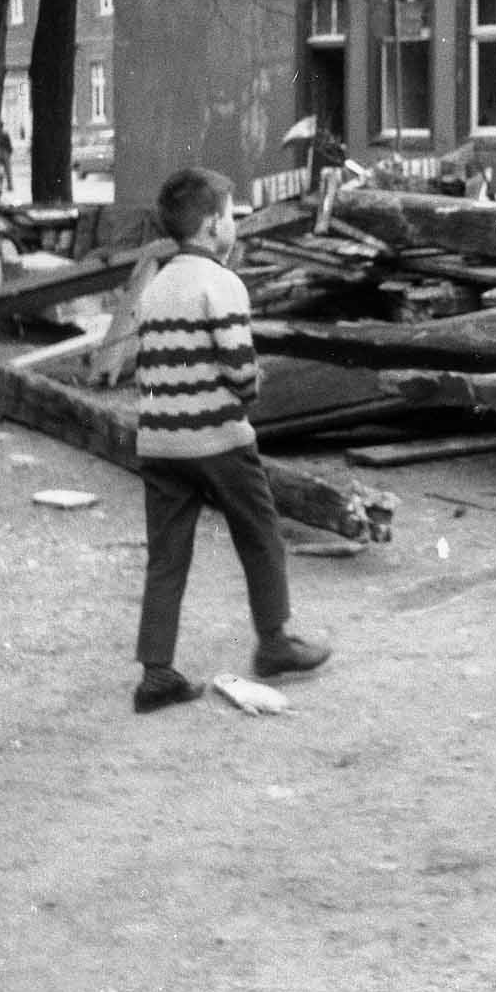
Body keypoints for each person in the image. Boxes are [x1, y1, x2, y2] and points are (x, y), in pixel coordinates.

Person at [132, 166, 330, 714]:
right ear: (214, 224)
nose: (235, 223)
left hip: (160, 442)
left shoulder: (155, 285)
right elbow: (241, 370)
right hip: (218, 439)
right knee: (261, 533)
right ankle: (274, 641)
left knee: (166, 558)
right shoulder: (222, 283)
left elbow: (148, 367)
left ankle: (156, 674)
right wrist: (247, 395)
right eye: (232, 214)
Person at [0, 127, 14, 196]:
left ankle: (0, 186)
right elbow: (9, 145)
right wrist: (9, 153)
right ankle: (9, 186)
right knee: (7, 171)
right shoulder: (5, 134)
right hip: (5, 153)